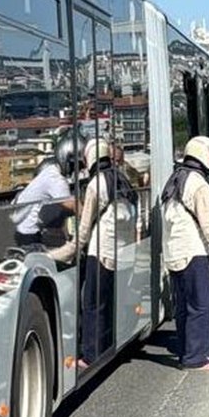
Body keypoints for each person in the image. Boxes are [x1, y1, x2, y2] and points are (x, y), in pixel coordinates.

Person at [51, 136, 134, 367]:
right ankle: (109, 345)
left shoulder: (96, 184)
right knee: (110, 302)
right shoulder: (121, 179)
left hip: (101, 251)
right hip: (123, 253)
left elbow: (84, 231)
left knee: (93, 304)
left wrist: (55, 255)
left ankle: (91, 355)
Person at [161, 136, 209, 370]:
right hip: (193, 251)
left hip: (174, 253)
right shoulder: (198, 184)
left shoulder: (175, 178)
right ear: (206, 155)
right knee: (203, 305)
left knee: (184, 306)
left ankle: (187, 352)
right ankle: (197, 358)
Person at [10, 135, 82, 246]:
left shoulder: (50, 171)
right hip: (31, 235)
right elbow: (72, 205)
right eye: (75, 165)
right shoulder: (56, 179)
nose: (76, 170)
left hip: (25, 231)